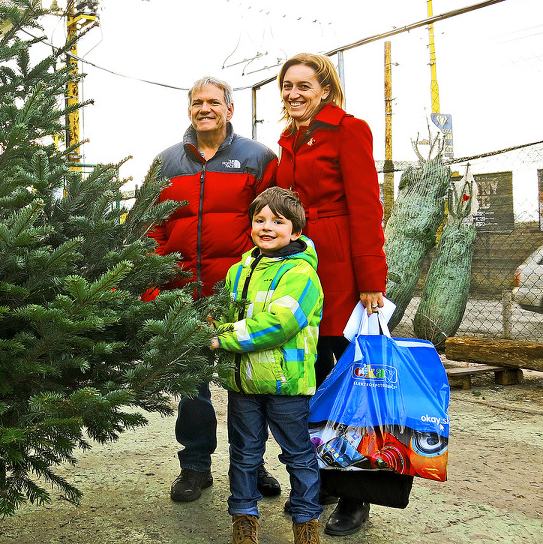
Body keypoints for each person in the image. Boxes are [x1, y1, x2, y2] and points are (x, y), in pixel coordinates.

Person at [148, 76, 278, 503]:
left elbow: (274, 223)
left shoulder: (257, 158)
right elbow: (150, 229)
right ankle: (195, 466)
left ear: (229, 109)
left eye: (213, 102)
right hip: (183, 291)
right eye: (197, 102)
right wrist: (155, 285)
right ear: (190, 110)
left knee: (247, 383)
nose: (205, 108)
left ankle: (252, 464)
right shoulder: (167, 162)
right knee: (192, 385)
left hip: (239, 293)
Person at [275, 53, 387, 536]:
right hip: (302, 267)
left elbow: (366, 208)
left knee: (349, 386)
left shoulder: (349, 130)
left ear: (325, 89)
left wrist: (371, 282)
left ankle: (356, 496)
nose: (293, 93)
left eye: (304, 85)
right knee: (313, 378)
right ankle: (319, 481)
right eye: (287, 86)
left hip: (342, 270)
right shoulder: (288, 139)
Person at [210, 186, 324, 544]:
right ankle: (244, 519)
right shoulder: (238, 270)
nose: (267, 227)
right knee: (244, 456)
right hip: (243, 384)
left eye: (278, 221)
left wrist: (222, 337)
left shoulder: (302, 274)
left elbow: (280, 324)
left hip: (285, 385)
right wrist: (209, 326)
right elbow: (227, 315)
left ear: (296, 232)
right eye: (259, 220)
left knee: (299, 455)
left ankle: (305, 522)